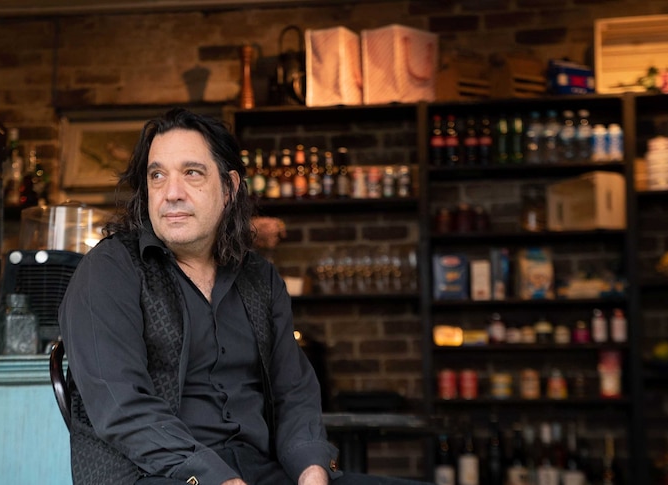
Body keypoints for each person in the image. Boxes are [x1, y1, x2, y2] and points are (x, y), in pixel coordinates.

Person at [58, 108, 430, 485]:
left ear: (229, 188)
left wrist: (311, 469)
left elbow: (294, 391)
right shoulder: (110, 270)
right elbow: (120, 404)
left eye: (192, 173)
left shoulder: (260, 278)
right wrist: (217, 478)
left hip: (261, 472)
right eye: (157, 176)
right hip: (154, 474)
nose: (171, 193)